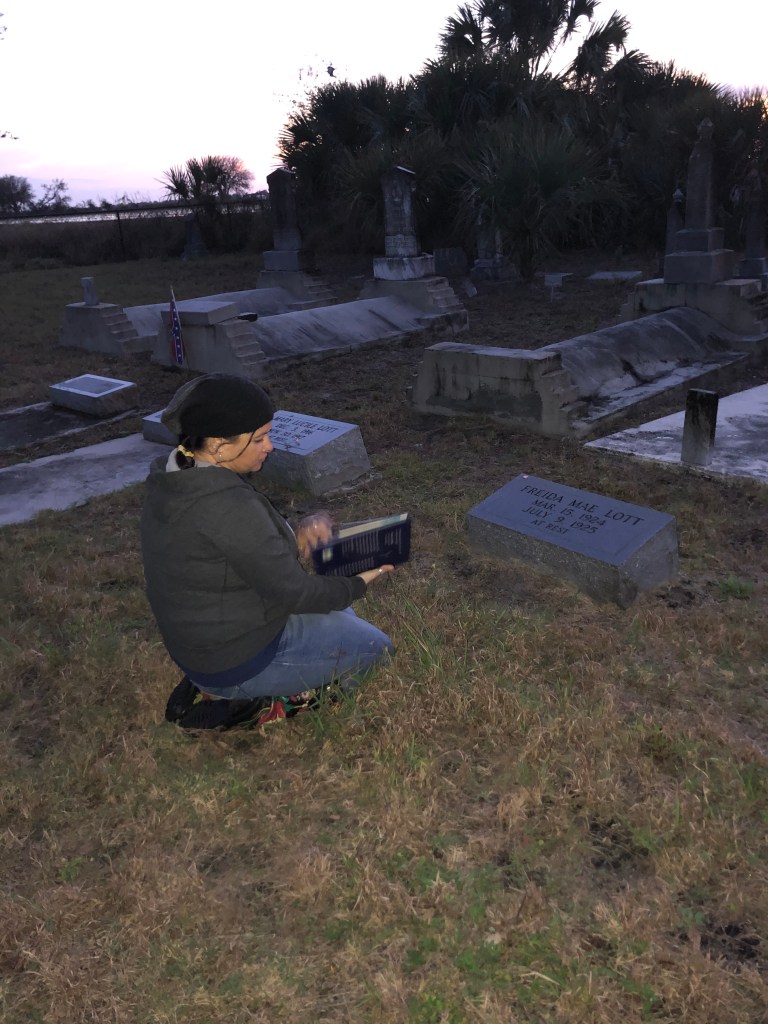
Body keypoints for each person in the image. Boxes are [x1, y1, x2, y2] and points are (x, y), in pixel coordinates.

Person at [140, 373, 394, 728]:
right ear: (218, 445)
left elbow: (239, 547)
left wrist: (301, 531)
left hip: (208, 641)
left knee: (340, 613)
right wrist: (360, 581)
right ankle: (256, 703)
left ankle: (225, 686)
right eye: (258, 438)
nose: (269, 447)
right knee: (376, 648)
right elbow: (297, 594)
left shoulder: (177, 475)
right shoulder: (226, 505)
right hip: (237, 658)